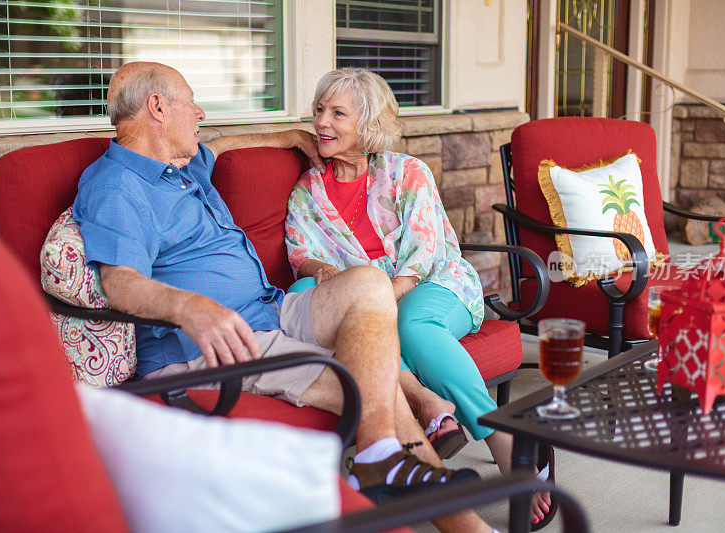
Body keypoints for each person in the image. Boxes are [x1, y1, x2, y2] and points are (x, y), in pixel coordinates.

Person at [73, 62, 497, 533]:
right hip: (214, 346)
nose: (200, 112)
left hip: (270, 310)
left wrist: (289, 136)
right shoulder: (117, 186)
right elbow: (120, 282)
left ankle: (380, 457)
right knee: (379, 392)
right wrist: (189, 307)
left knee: (368, 283)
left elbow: (221, 145)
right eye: (190, 101)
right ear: (157, 107)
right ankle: (461, 520)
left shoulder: (181, 168)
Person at [284, 67, 552, 525]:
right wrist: (319, 269)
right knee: (313, 300)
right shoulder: (309, 190)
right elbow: (299, 250)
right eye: (318, 111)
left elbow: (422, 255)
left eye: (337, 113)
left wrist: (378, 302)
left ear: (367, 125)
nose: (322, 123)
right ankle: (424, 445)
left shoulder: (407, 172)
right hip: (362, 298)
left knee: (409, 325)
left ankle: (499, 436)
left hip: (434, 285)